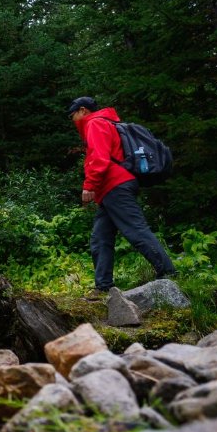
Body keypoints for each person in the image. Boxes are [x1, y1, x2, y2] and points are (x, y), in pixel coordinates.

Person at [66, 96, 176, 294]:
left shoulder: (95, 123)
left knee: (136, 230)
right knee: (100, 238)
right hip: (110, 189)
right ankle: (103, 286)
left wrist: (89, 186)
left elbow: (99, 158)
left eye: (72, 115)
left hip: (115, 185)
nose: (72, 119)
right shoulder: (105, 123)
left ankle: (169, 273)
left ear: (83, 110)